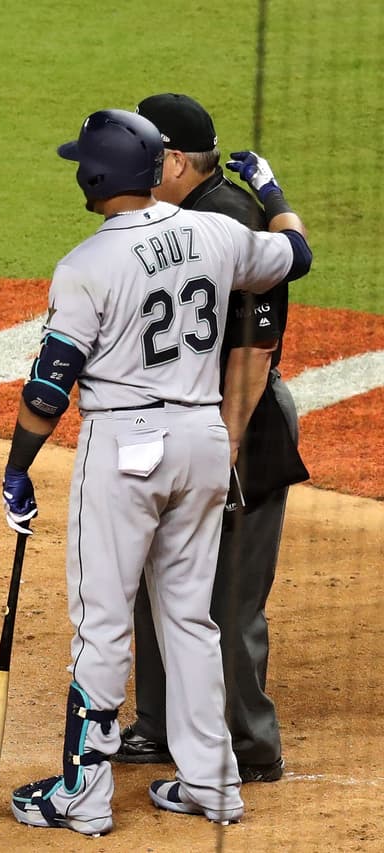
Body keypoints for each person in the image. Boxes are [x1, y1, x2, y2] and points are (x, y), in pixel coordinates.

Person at [0, 108, 311, 834]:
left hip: (126, 449)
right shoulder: (215, 231)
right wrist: (274, 194)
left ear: (95, 176)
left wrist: (17, 469)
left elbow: (49, 390)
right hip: (205, 439)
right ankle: (214, 783)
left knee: (104, 623)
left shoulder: (87, 265)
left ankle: (84, 790)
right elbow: (295, 256)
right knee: (190, 617)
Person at [112, 93, 309, 784]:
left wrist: (220, 452)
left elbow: (253, 354)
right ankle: (160, 725)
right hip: (178, 425)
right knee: (153, 577)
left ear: (170, 159)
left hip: (242, 432)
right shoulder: (171, 217)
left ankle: (250, 745)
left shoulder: (230, 223)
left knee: (226, 597)